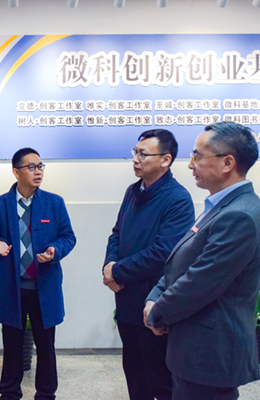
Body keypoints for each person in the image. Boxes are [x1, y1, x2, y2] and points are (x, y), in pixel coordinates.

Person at [144, 121, 260, 400]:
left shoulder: (239, 215)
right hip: (195, 349)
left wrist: (157, 312)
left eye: (197, 156)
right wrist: (154, 296)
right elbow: (181, 262)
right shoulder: (220, 206)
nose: (190, 165)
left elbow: (200, 282)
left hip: (210, 353)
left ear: (227, 163)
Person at [103, 129, 194, 400]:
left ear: (166, 160)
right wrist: (109, 264)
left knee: (160, 379)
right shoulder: (133, 191)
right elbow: (117, 233)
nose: (136, 159)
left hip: (153, 304)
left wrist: (117, 271)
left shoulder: (178, 199)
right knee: (134, 374)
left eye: (143, 154)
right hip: (126, 299)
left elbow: (164, 252)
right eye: (135, 152)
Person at [0, 147, 76, 400]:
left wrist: (55, 250)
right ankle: (9, 394)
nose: (38, 171)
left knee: (46, 347)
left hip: (45, 288)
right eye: (31, 167)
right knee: (12, 347)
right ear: (16, 172)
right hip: (13, 289)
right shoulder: (1, 204)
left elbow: (68, 236)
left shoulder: (54, 203)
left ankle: (46, 395)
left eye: (40, 166)